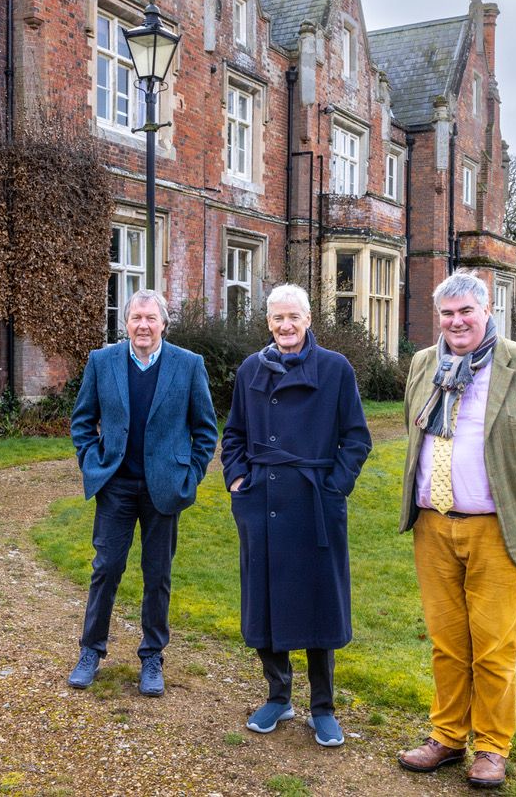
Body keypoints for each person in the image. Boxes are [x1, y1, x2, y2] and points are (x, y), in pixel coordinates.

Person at [396, 270, 516, 789]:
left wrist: (515, 486)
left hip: (497, 530)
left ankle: (492, 748)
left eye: (466, 312)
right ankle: (447, 737)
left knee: (494, 645)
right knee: (448, 642)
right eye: (447, 314)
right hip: (432, 527)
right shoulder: (423, 364)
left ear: (486, 312)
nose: (456, 322)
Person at [221, 284, 372, 748]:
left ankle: (323, 707)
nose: (285, 325)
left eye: (294, 317)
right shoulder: (250, 370)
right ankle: (278, 695)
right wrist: (238, 481)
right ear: (267, 321)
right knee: (266, 598)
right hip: (262, 502)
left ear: (309, 319)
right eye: (277, 317)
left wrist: (334, 487)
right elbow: (234, 437)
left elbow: (356, 438)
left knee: (319, 601)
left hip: (314, 504)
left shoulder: (334, 369)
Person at [68, 288, 218, 696]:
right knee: (106, 569)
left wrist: (191, 473)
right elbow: (82, 420)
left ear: (164, 324)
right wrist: (91, 461)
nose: (143, 325)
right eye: (136, 318)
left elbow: (206, 430)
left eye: (151, 318)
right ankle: (90, 651)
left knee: (158, 575)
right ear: (126, 322)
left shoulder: (188, 366)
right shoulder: (102, 362)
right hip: (115, 485)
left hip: (164, 488)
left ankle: (152, 656)